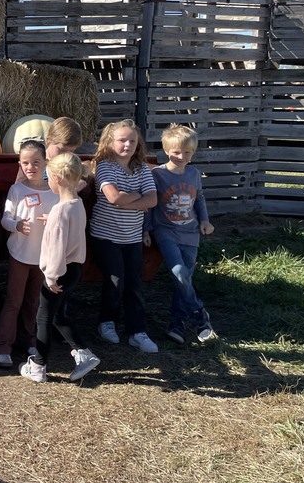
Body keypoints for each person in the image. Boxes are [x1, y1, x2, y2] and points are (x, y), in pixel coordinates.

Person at [22, 153, 100, 383]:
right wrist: (53, 221)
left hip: (60, 271)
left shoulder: (59, 211)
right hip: (74, 268)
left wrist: (51, 277)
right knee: (56, 316)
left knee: (43, 318)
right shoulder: (76, 204)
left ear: (57, 178)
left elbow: (56, 247)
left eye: (48, 177)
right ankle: (83, 353)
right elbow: (68, 231)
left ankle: (38, 365)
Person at [144, 123, 217, 344]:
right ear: (166, 151)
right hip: (165, 230)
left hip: (191, 232)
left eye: (187, 152)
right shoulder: (158, 174)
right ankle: (200, 316)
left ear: (193, 153)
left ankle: (176, 323)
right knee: (177, 271)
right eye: (176, 152)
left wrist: (204, 220)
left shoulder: (194, 174)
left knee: (184, 278)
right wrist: (146, 229)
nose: (181, 156)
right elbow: (149, 204)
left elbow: (200, 198)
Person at [90, 119, 159, 352]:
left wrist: (126, 197)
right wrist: (137, 198)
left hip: (132, 238)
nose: (127, 145)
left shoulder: (142, 167)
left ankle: (137, 331)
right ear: (110, 142)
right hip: (105, 236)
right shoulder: (105, 167)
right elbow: (113, 198)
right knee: (115, 280)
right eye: (122, 140)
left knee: (134, 284)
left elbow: (153, 199)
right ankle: (106, 322)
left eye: (132, 140)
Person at [0, 139, 59, 368]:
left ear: (45, 162)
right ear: (19, 164)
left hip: (43, 258)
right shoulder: (17, 190)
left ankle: (28, 340)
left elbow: (64, 219)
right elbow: (5, 219)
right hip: (20, 255)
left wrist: (53, 221)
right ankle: (3, 346)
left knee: (33, 302)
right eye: (25, 163)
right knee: (14, 301)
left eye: (35, 162)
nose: (30, 167)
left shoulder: (55, 191)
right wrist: (17, 226)